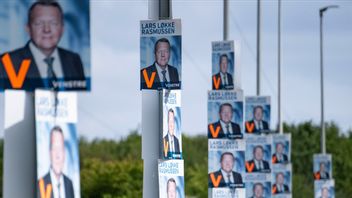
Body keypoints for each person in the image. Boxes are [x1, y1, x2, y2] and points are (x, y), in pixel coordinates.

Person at [0, 1, 86, 90]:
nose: (47, 29)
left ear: (62, 29)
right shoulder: (6, 62)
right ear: (28, 28)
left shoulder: (74, 61)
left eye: (53, 23)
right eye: (39, 23)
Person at [37, 126, 74, 198]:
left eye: (60, 148)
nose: (58, 155)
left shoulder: (69, 183)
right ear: (49, 152)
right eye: (55, 148)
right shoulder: (41, 184)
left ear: (64, 153)